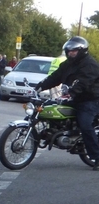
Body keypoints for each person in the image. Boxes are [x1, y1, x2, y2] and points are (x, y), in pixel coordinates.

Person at [35, 36, 99, 170]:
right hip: (74, 98)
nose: (71, 53)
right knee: (49, 107)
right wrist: (40, 86)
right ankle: (55, 133)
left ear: (82, 51)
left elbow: (83, 83)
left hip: (90, 99)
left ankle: (97, 156)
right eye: (69, 51)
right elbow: (55, 77)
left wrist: (71, 93)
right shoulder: (68, 64)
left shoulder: (90, 65)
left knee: (85, 124)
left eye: (74, 51)